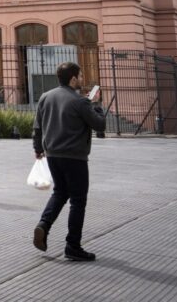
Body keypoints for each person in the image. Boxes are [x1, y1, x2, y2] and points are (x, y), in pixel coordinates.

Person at [32, 62, 106, 262]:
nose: (82, 79)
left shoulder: (45, 97)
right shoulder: (80, 101)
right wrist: (96, 104)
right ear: (73, 78)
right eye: (80, 76)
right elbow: (100, 124)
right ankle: (73, 245)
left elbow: (37, 127)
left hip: (53, 155)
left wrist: (38, 149)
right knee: (78, 200)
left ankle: (44, 224)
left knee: (60, 192)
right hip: (74, 157)